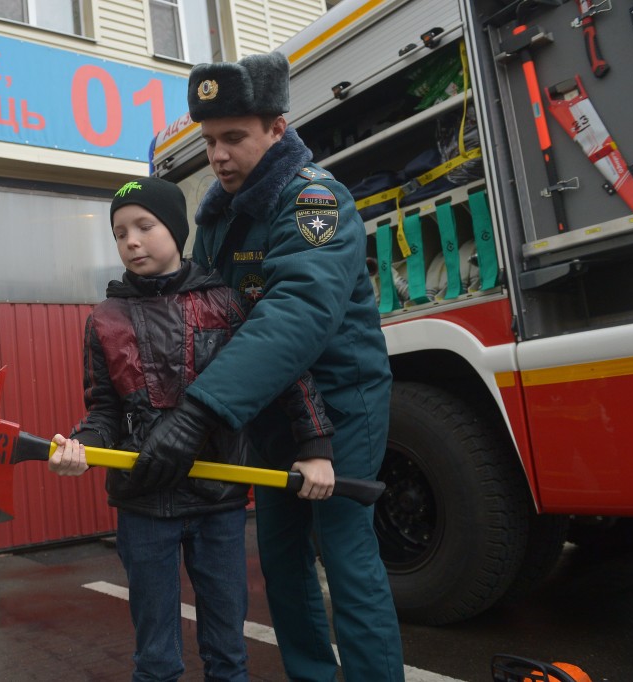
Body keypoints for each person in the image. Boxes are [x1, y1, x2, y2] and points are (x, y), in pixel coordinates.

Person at [128, 53, 406, 681]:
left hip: (339, 403)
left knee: (344, 549)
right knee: (281, 555)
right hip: (265, 405)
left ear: (278, 129)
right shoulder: (221, 217)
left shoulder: (314, 201)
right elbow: (206, 315)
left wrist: (201, 409)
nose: (218, 155)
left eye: (235, 138)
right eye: (210, 141)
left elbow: (297, 312)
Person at [49, 176, 334, 682]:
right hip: (142, 507)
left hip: (219, 502)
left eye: (144, 226)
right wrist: (80, 448)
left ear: (176, 230)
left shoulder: (226, 302)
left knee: (228, 652)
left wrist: (315, 446)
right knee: (155, 658)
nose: (131, 241)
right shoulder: (104, 320)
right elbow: (103, 415)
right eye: (119, 233)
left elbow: (286, 373)